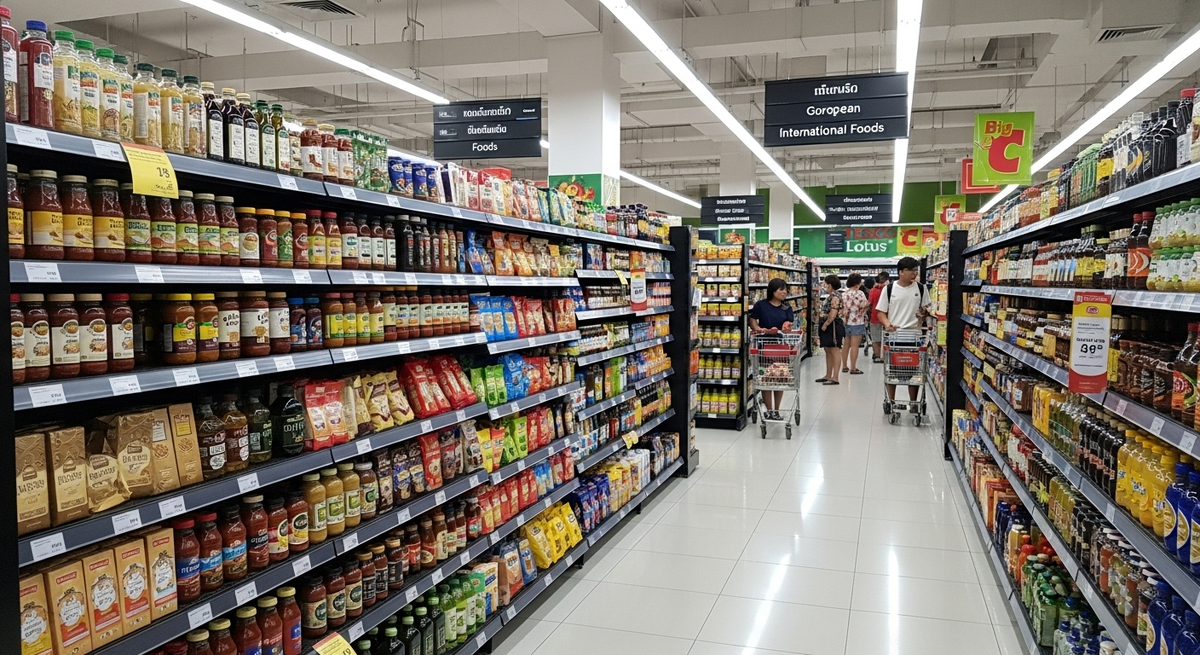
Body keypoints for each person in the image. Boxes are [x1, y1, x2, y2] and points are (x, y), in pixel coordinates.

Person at [874, 257, 931, 407]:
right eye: (911, 270)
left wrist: (923, 314)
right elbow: (880, 312)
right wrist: (888, 324)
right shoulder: (889, 289)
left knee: (914, 372)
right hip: (894, 336)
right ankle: (891, 401)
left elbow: (926, 310)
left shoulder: (921, 288)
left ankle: (913, 403)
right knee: (892, 371)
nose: (914, 273)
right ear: (901, 272)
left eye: (916, 270)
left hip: (914, 336)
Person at [748, 278, 796, 420]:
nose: (784, 292)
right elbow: (752, 319)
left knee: (780, 377)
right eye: (781, 289)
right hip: (764, 345)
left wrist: (787, 327)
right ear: (773, 291)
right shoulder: (761, 305)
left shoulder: (787, 308)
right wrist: (758, 328)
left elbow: (789, 324)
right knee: (766, 378)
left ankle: (776, 410)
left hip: (781, 347)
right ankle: (769, 410)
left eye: (785, 289)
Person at [815, 274, 844, 385]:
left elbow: (833, 312)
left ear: (830, 285)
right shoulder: (832, 295)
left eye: (825, 284)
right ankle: (828, 375)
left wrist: (826, 324)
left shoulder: (835, 297)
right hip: (829, 325)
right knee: (828, 349)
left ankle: (835, 377)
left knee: (834, 350)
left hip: (833, 325)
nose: (824, 286)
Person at [840, 273, 869, 375]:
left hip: (846, 321)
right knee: (855, 346)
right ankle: (853, 367)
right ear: (858, 283)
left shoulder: (844, 294)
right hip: (857, 321)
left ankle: (844, 366)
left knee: (846, 345)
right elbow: (864, 305)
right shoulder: (860, 293)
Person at [867, 271, 889, 363]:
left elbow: (869, 304)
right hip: (887, 318)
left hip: (875, 317)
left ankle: (878, 356)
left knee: (876, 339)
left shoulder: (873, 290)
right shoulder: (889, 290)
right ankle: (885, 356)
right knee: (886, 339)